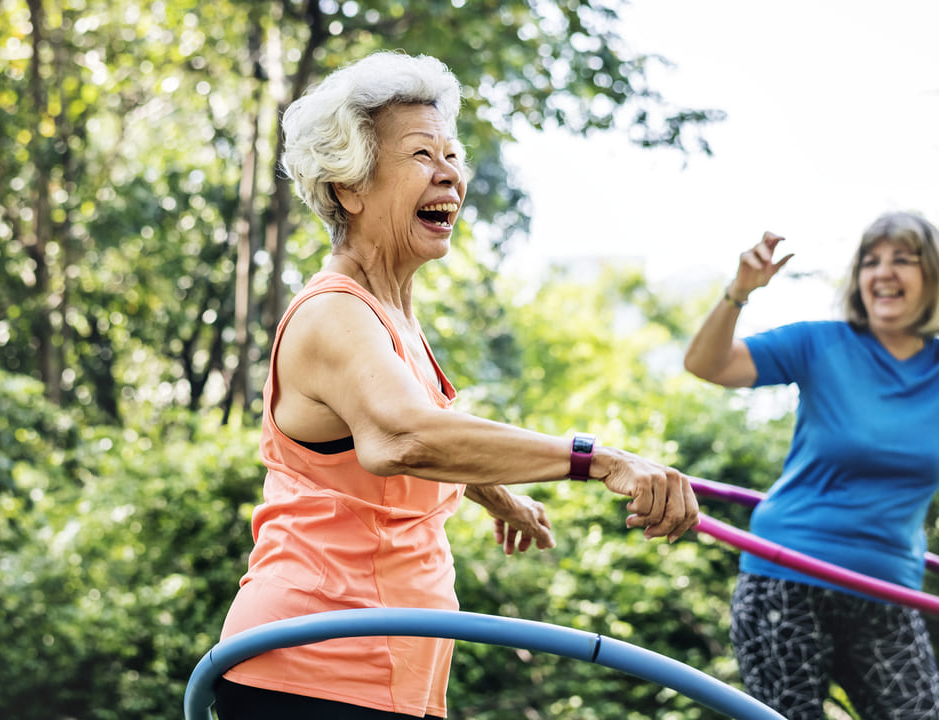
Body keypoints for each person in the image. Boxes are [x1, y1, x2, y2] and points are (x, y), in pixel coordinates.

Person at [213, 51, 699, 720]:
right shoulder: (334, 315)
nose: (449, 173)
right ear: (349, 186)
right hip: (311, 668)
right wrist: (598, 460)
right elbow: (403, 437)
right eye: (421, 154)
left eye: (452, 154)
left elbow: (415, 439)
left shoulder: (392, 317)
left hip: (392, 671)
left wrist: (497, 496)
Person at [683, 213, 939, 719]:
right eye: (871, 261)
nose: (883, 273)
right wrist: (739, 292)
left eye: (902, 260)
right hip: (786, 577)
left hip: (887, 589)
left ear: (931, 275)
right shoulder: (820, 343)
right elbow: (708, 365)